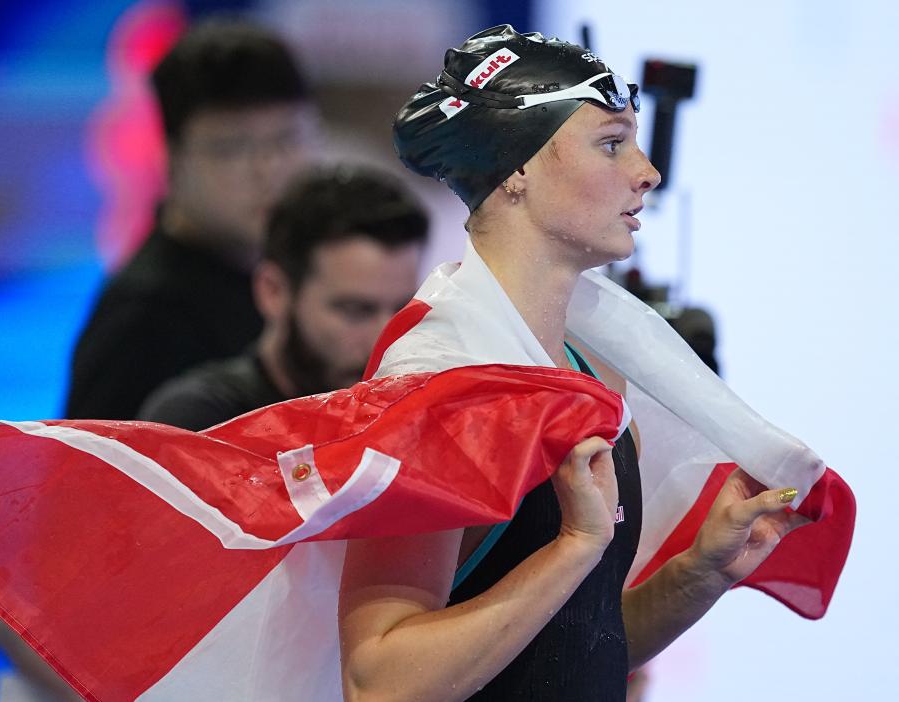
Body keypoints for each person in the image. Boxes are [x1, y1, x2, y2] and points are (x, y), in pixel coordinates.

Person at [337, 25, 809, 701]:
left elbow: (576, 647)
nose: (648, 172)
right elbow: (379, 682)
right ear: (518, 169)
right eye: (612, 143)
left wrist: (698, 575)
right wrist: (575, 546)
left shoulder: (594, 374)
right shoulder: (439, 383)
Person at [65, 17, 318, 420]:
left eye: (286, 140)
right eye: (232, 149)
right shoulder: (144, 321)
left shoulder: (291, 276)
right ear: (171, 157)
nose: (268, 169)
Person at [138, 165, 429, 430]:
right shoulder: (200, 423)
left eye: (403, 309)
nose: (385, 340)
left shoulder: (418, 417)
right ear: (273, 291)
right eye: (355, 310)